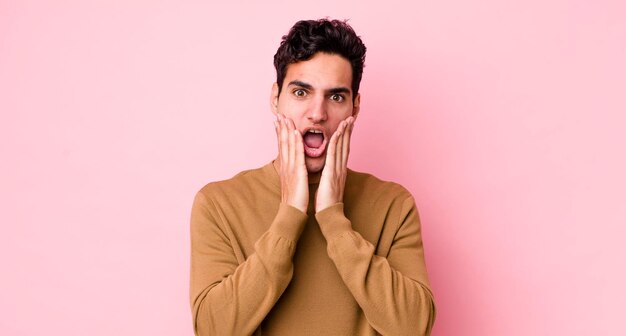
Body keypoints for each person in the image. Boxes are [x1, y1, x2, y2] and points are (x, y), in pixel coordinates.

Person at [190, 18, 436, 336]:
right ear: (275, 97)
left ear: (354, 108)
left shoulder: (393, 205)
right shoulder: (219, 203)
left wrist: (334, 219)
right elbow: (213, 329)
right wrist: (290, 214)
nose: (317, 112)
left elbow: (413, 328)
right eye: (301, 92)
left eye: (335, 97)